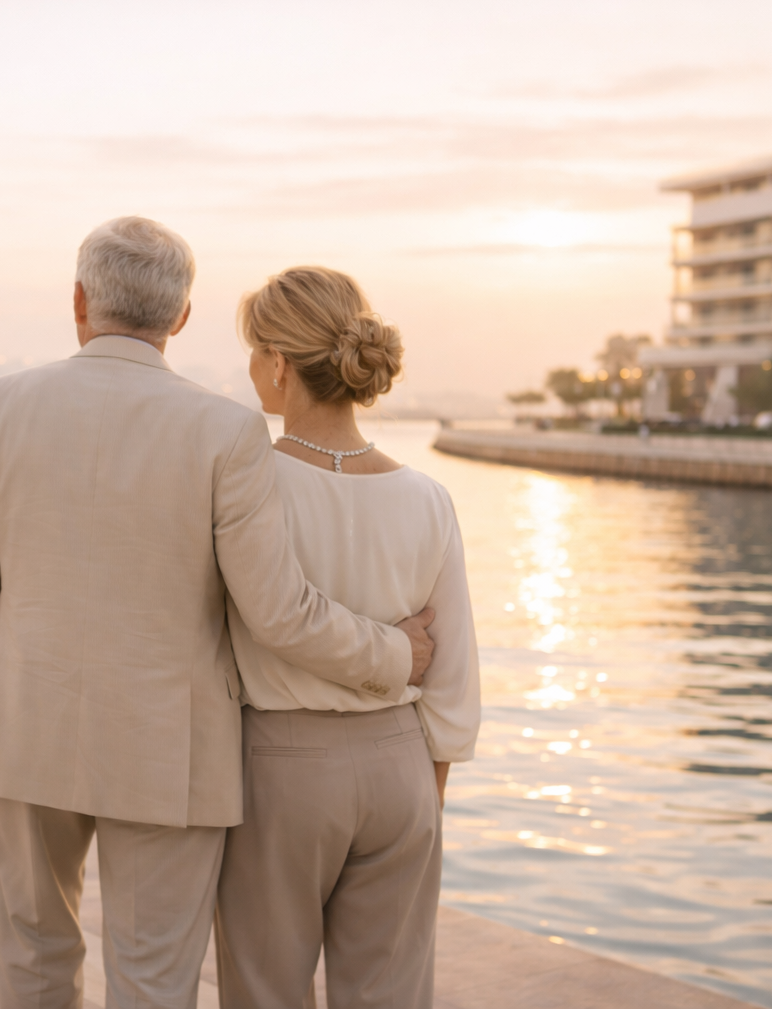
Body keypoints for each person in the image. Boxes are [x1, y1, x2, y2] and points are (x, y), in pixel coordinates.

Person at [0, 217, 439, 1009]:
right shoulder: (225, 428)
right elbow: (276, 610)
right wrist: (395, 656)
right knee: (153, 976)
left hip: (24, 723)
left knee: (31, 952)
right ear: (181, 317)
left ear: (78, 302)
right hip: (169, 747)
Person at [214, 266, 481, 1009]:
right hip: (403, 769)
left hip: (280, 771)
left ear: (278, 363)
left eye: (251, 351)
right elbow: (453, 676)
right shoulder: (429, 498)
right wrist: (422, 800)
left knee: (265, 993)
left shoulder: (248, 483)